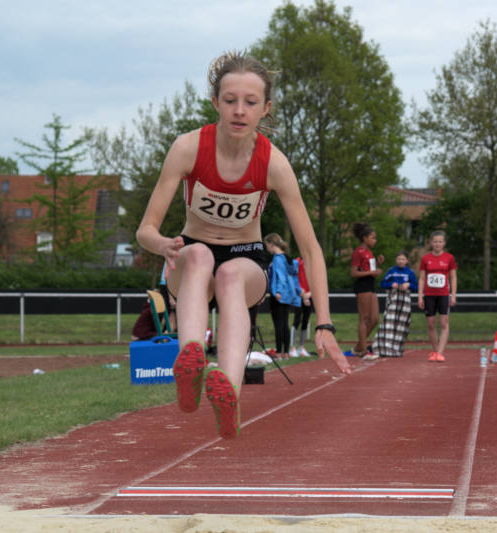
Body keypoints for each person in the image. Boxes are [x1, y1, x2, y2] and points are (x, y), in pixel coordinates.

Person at [135, 51, 352, 440]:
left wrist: (325, 322)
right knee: (200, 254)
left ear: (266, 108)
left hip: (245, 258)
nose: (239, 110)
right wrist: (164, 245)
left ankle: (228, 393)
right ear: (215, 102)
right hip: (189, 257)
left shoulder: (274, 164)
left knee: (231, 273)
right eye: (230, 100)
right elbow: (145, 230)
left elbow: (311, 248)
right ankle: (191, 362)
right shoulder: (187, 148)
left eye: (250, 102)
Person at [417, 230, 457, 362]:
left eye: (440, 241)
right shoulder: (425, 258)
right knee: (431, 323)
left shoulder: (449, 258)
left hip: (443, 294)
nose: (437, 244)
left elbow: (453, 277)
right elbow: (422, 278)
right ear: (431, 243)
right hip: (429, 294)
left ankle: (440, 352)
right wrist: (420, 296)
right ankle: (435, 351)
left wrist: (453, 296)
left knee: (444, 322)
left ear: (444, 243)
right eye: (435, 241)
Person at [371, 250, 418, 358]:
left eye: (403, 259)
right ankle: (384, 348)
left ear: (407, 260)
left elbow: (416, 286)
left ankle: (397, 349)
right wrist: (392, 284)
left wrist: (409, 285)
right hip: (393, 300)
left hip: (404, 302)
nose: (401, 261)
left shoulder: (410, 272)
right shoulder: (391, 271)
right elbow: (383, 283)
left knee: (401, 325)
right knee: (389, 324)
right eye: (399, 259)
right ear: (396, 260)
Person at [263, 233, 301, 358]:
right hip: (288, 295)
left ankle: (279, 352)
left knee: (278, 324)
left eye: (267, 245)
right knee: (285, 323)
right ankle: (286, 352)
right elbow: (292, 275)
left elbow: (281, 276)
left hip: (279, 294)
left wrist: (278, 291)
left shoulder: (278, 259)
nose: (267, 248)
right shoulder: (288, 258)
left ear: (271, 244)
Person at [350, 222, 384, 361]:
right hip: (362, 286)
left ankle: (358, 347)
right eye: (372, 237)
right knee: (364, 319)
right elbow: (354, 273)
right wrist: (372, 271)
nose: (374, 240)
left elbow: (371, 272)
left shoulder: (369, 252)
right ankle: (363, 351)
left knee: (375, 319)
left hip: (371, 285)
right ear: (365, 238)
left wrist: (378, 265)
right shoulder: (358, 252)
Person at [291, 255, 314, 358]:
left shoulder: (313, 262)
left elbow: (316, 280)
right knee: (297, 320)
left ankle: (301, 347)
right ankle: (292, 348)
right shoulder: (296, 262)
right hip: (299, 294)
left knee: (306, 320)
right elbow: (293, 278)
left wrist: (310, 293)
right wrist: (302, 293)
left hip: (309, 294)